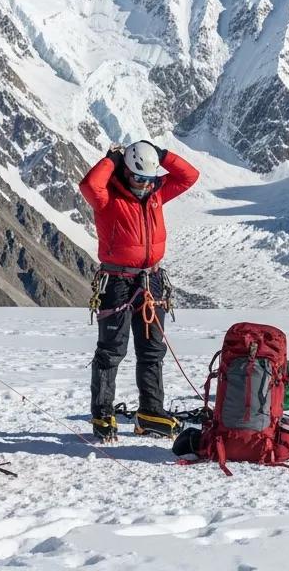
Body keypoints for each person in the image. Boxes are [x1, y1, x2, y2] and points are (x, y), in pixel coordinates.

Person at [79, 140, 199, 442]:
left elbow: (189, 176)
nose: (144, 184)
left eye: (149, 178)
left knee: (152, 350)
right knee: (111, 350)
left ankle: (151, 413)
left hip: (151, 279)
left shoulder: (157, 192)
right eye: (138, 177)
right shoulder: (108, 197)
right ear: (125, 172)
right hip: (117, 281)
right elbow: (89, 186)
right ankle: (102, 415)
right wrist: (111, 159)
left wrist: (162, 155)